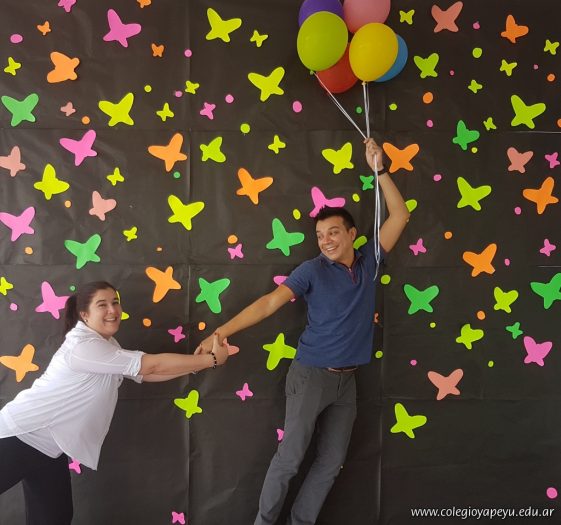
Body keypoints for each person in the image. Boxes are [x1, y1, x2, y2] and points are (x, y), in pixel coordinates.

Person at [199, 137, 410, 525]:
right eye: (320, 235)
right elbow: (269, 304)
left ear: (351, 234)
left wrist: (380, 169)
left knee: (331, 463)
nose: (326, 240)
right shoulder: (311, 270)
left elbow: (400, 215)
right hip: (311, 375)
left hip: (348, 382)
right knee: (291, 458)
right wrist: (221, 331)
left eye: (333, 232)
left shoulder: (370, 262)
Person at [0, 280, 227, 525]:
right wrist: (211, 360)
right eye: (102, 305)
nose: (112, 310)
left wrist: (196, 365)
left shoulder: (106, 345)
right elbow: (151, 366)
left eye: (115, 302)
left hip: (49, 447)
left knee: (54, 518)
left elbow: (146, 374)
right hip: (21, 435)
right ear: (85, 314)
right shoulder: (83, 346)